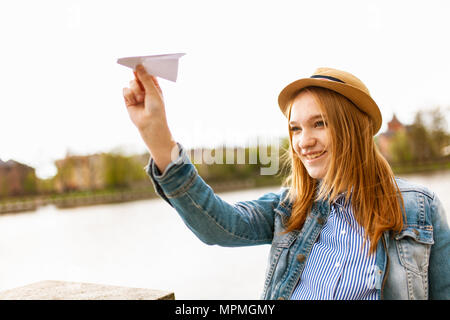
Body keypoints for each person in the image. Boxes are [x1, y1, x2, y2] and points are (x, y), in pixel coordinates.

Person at [122, 65, 450, 300]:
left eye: (319, 124)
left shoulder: (418, 208)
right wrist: (158, 138)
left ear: (353, 129)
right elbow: (218, 225)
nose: (303, 141)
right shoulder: (290, 208)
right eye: (295, 129)